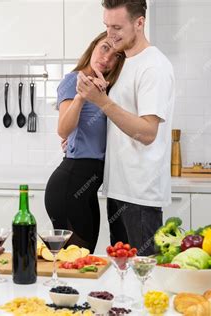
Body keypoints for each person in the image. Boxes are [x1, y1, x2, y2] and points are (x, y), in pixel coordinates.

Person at [76, 0, 175, 256]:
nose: (111, 34)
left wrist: (102, 101)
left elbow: (147, 132)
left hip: (141, 194)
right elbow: (119, 123)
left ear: (139, 23)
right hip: (119, 190)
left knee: (145, 277)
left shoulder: (154, 66)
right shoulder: (126, 63)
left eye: (117, 27)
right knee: (123, 276)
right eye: (107, 26)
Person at [44, 31, 125, 254]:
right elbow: (63, 129)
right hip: (70, 185)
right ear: (93, 46)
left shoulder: (106, 88)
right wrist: (81, 96)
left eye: (116, 55)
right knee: (73, 262)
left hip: (88, 188)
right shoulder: (74, 80)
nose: (107, 58)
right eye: (105, 48)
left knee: (84, 259)